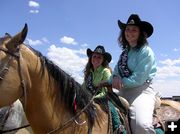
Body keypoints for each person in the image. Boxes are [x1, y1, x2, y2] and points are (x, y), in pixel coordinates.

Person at [110, 14, 161, 134]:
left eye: (134, 30)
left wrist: (115, 82)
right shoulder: (124, 53)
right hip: (122, 91)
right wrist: (114, 77)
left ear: (140, 33)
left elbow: (138, 79)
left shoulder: (146, 51)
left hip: (141, 91)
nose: (130, 32)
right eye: (127, 29)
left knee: (141, 125)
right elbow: (116, 71)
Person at [83, 45, 122, 133]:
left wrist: (93, 99)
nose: (96, 59)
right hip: (89, 98)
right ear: (91, 58)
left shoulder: (105, 71)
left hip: (103, 98)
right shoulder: (89, 73)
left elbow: (106, 91)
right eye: (94, 56)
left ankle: (118, 128)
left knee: (111, 107)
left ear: (103, 60)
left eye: (99, 57)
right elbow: (83, 87)